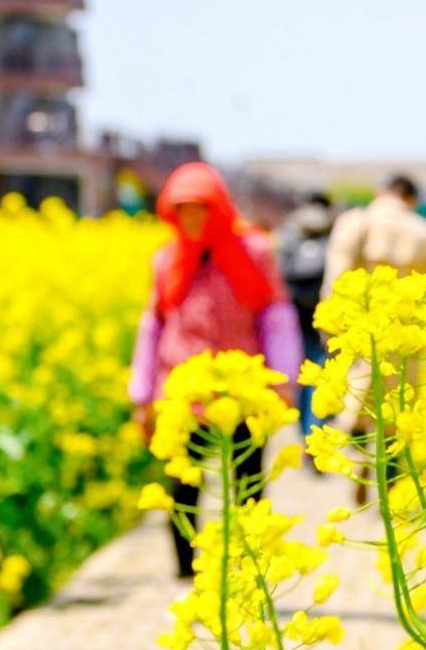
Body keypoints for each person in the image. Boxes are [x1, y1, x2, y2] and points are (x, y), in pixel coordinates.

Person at [128, 162, 303, 578]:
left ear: (219, 209)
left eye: (200, 208)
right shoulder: (167, 260)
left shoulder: (254, 252)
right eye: (182, 208)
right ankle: (186, 568)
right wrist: (143, 396)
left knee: (248, 480)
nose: (191, 218)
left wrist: (282, 382)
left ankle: (248, 564)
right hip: (185, 396)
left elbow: (275, 318)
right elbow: (152, 328)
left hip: (242, 393)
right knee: (184, 481)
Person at [322, 174, 426, 502]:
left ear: (381, 193)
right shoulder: (424, 231)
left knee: (360, 404)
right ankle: (389, 486)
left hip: (363, 331)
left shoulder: (356, 222)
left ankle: (360, 464)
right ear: (411, 199)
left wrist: (330, 324)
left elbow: (337, 274)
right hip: (404, 337)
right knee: (397, 413)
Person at [272, 192, 335, 442]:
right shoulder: (332, 227)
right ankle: (315, 429)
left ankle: (302, 430)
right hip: (321, 308)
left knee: (299, 369)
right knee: (319, 369)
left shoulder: (290, 228)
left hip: (294, 307)